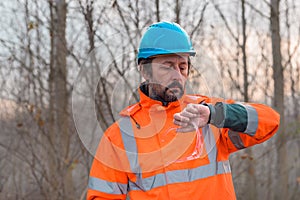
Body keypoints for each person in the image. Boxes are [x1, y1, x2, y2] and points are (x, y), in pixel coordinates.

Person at [86, 21, 280, 200]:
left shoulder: (207, 113)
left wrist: (216, 114)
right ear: (145, 71)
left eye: (182, 66)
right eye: (167, 66)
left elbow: (270, 121)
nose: (177, 75)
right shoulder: (120, 135)